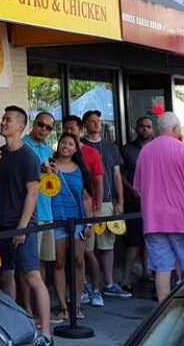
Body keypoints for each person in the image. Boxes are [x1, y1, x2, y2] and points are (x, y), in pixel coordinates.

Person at [0, 105, 53, 346]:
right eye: (3, 119)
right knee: (6, 276)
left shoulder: (29, 157)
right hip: (2, 225)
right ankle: (13, 329)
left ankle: (46, 333)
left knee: (32, 277)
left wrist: (22, 228)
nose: (3, 123)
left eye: (8, 120)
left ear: (20, 126)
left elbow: (32, 194)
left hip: (23, 227)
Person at [133, 112, 184, 303]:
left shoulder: (145, 151)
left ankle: (163, 311)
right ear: (176, 128)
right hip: (183, 219)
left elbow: (138, 189)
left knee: (162, 268)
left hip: (154, 220)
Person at [81, 110, 129, 300]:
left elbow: (117, 175)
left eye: (98, 120)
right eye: (92, 121)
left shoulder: (110, 146)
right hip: (86, 204)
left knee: (107, 245)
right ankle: (87, 285)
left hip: (108, 201)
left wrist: (121, 201)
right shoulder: (80, 146)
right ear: (84, 124)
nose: (96, 123)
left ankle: (109, 283)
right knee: (86, 248)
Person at [50, 133, 93, 324]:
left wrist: (89, 223)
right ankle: (64, 307)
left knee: (78, 261)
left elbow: (86, 197)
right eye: (63, 143)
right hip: (56, 221)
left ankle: (76, 305)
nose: (66, 146)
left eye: (70, 144)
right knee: (59, 262)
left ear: (76, 149)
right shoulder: (49, 167)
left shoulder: (80, 170)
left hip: (77, 222)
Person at [62, 115, 105, 307]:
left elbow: (98, 181)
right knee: (65, 260)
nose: (69, 132)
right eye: (66, 129)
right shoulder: (57, 156)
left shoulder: (91, 152)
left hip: (85, 213)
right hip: (63, 216)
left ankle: (96, 289)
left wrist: (97, 209)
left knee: (87, 253)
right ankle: (78, 292)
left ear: (80, 131)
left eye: (72, 129)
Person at [23, 110, 58, 308]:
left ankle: (40, 307)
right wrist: (40, 169)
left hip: (47, 211)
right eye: (40, 124)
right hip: (31, 214)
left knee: (43, 262)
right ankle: (27, 308)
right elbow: (20, 175)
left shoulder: (46, 149)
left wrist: (53, 170)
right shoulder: (22, 145)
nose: (43, 129)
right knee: (29, 265)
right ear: (33, 124)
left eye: (48, 127)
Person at [119, 116, 153, 293]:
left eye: (148, 126)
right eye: (142, 126)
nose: (145, 129)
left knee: (151, 238)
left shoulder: (157, 148)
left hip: (154, 201)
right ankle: (126, 279)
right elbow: (120, 174)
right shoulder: (127, 150)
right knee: (133, 240)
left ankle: (148, 271)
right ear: (136, 128)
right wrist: (131, 189)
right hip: (133, 201)